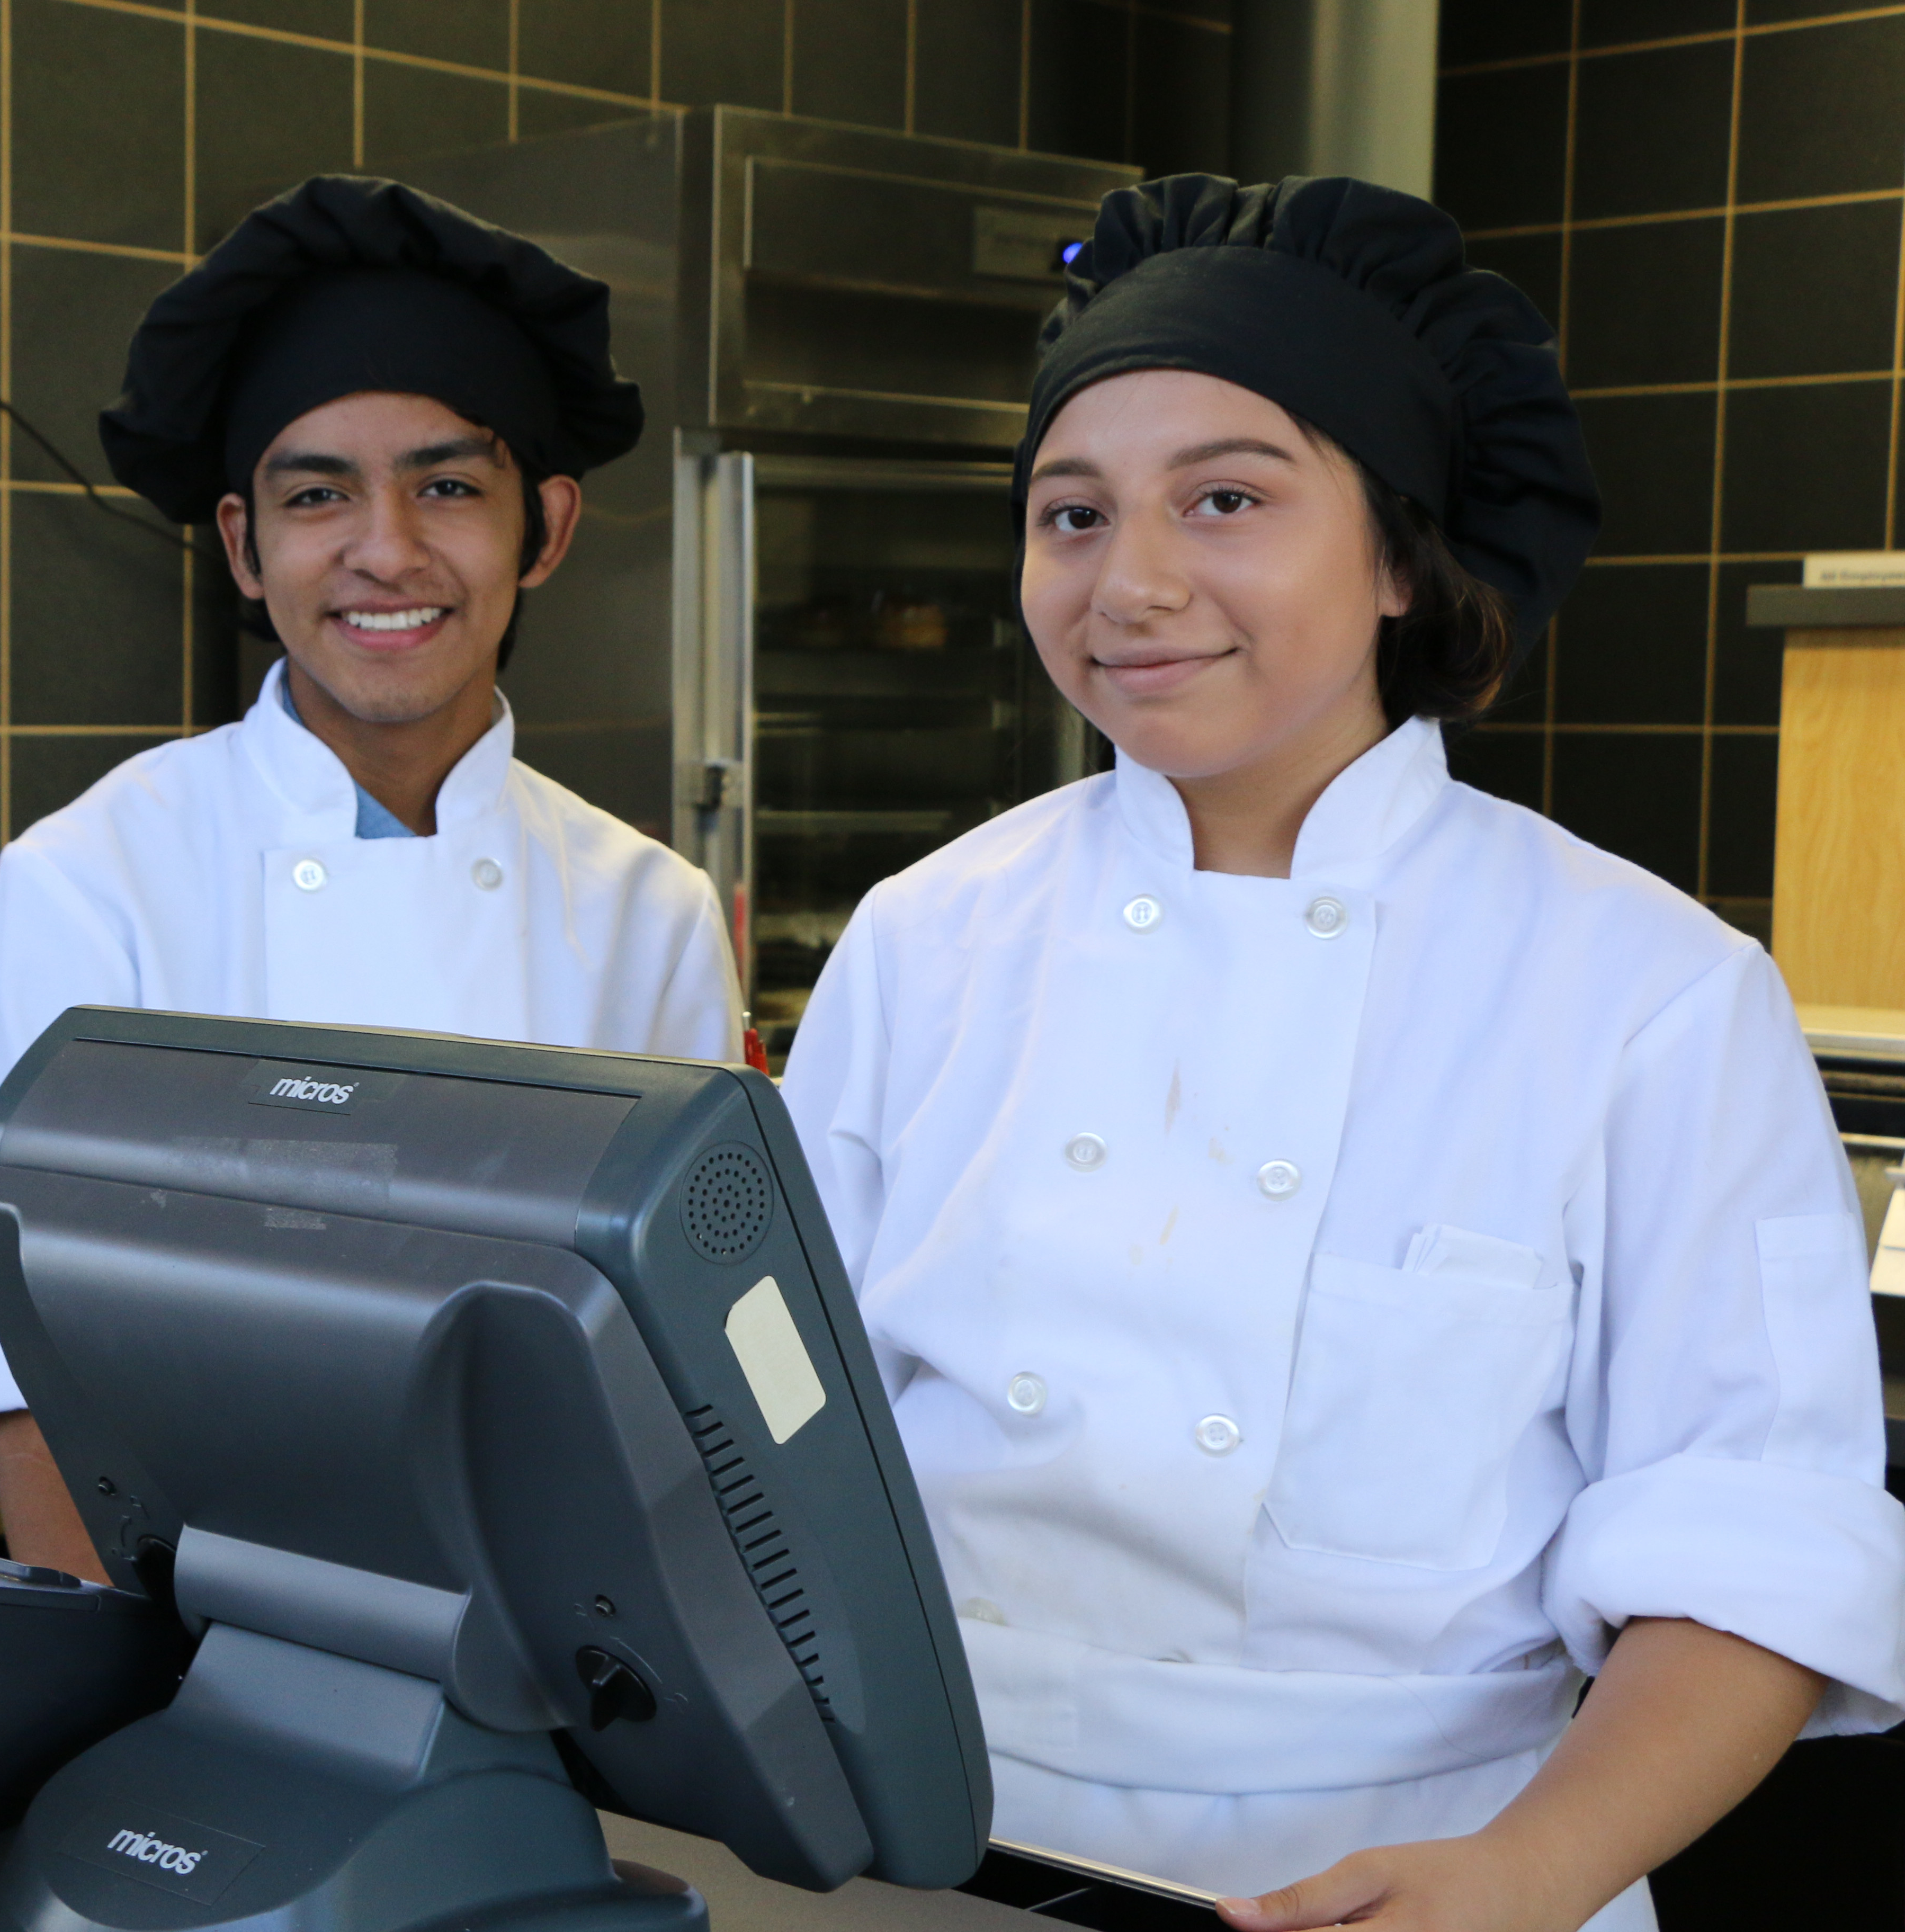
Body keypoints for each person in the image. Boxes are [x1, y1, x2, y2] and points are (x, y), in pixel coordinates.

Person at [781, 175, 1905, 1931]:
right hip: (925, 1840)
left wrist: (1533, 1870)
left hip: (1431, 1872)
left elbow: (1751, 1536)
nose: (1131, 581)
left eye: (1225, 499)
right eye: (1070, 514)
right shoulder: (929, 937)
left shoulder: (1651, 989)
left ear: (1398, 553)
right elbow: (781, 1428)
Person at [0, 177, 743, 1578]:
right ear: (242, 544)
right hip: (187, 1664)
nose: (386, 550)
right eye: (317, 494)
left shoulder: (647, 913)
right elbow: (33, 1393)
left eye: (450, 485)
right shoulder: (91, 889)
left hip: (554, 1657)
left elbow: (683, 1385)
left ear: (549, 527)